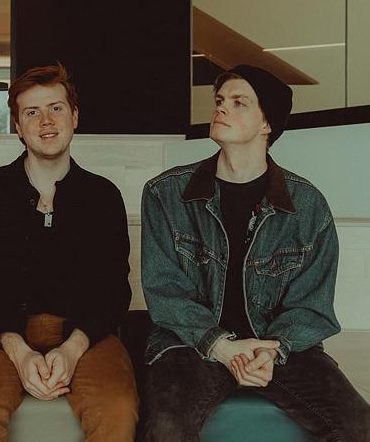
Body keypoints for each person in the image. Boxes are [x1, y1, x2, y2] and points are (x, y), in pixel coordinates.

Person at [140, 64, 370, 440]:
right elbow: (165, 292)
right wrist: (222, 347)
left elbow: (312, 307)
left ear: (267, 124)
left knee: (360, 425)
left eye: (238, 102)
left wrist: (271, 352)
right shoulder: (166, 193)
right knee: (167, 427)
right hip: (190, 344)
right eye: (219, 101)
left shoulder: (307, 205)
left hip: (277, 346)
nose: (221, 109)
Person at [0, 64, 138, 441]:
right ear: (18, 127)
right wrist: (19, 352)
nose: (46, 121)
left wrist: (72, 350)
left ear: (74, 116)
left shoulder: (103, 196)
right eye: (31, 112)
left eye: (55, 108)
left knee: (117, 406)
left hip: (86, 335)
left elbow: (113, 289)